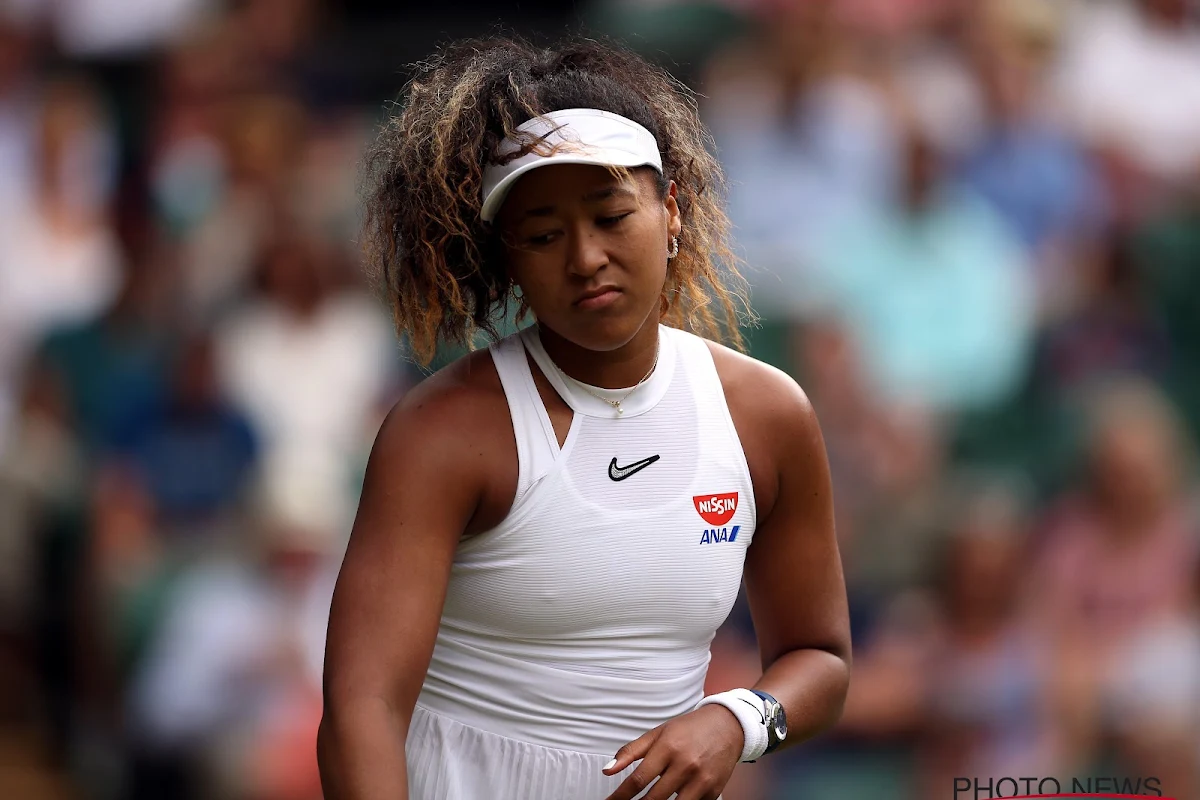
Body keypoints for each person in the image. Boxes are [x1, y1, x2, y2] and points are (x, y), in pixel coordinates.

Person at [317, 36, 851, 800]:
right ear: (507, 259)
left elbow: (821, 661)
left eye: (610, 214)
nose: (585, 256)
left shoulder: (768, 415)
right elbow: (360, 707)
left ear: (671, 212)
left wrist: (736, 719)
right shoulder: (444, 433)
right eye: (541, 235)